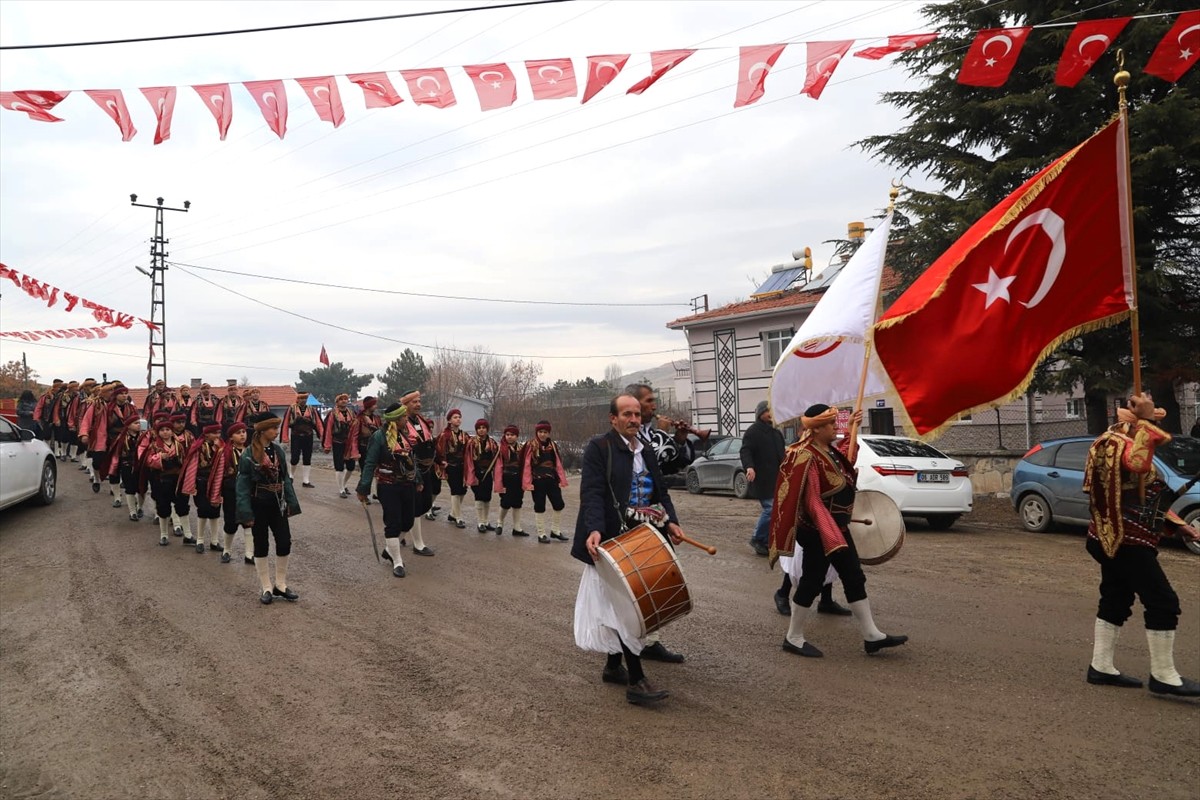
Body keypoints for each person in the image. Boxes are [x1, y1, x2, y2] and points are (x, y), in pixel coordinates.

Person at [1082, 392, 1200, 696]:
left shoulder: (1117, 439)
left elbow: (1147, 495)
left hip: (1115, 536)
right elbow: (1136, 465)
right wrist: (1146, 421)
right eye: (1149, 421)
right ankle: (1163, 675)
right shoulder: (1113, 443)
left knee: (1116, 597)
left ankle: (1101, 667)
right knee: (1163, 601)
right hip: (1125, 539)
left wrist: (1177, 524)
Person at [572, 393, 685, 706]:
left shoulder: (645, 448)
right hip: (609, 540)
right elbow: (591, 492)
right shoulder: (599, 447)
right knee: (625, 607)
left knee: (623, 604)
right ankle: (636, 679)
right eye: (627, 414)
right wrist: (594, 528)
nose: (634, 419)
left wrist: (671, 522)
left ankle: (612, 666)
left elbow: (659, 491)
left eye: (637, 414)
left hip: (641, 538)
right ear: (613, 418)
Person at [769, 403, 907, 658]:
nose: (836, 428)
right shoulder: (805, 455)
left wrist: (854, 425)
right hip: (818, 531)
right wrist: (831, 535)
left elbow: (846, 461)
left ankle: (871, 635)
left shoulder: (827, 451)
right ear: (818, 428)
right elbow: (811, 501)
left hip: (836, 528)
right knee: (812, 581)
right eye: (832, 424)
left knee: (853, 575)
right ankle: (793, 637)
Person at [624, 383, 692, 663]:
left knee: (658, 578)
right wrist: (667, 434)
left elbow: (674, 465)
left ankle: (651, 641)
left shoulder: (652, 436)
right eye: (649, 401)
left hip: (653, 516)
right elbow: (660, 451)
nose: (654, 405)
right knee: (631, 584)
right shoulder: (627, 438)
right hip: (626, 520)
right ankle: (622, 648)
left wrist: (679, 437)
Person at [357, 402, 430, 577]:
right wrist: (363, 488)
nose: (407, 419)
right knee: (393, 523)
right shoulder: (379, 437)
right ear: (395, 420)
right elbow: (369, 463)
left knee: (408, 522)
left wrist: (418, 479)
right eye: (404, 417)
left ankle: (389, 549)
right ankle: (397, 561)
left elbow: (411, 460)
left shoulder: (405, 435)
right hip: (388, 486)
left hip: (408, 485)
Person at [236, 412, 301, 605]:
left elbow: (285, 478)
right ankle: (266, 587)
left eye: (277, 428)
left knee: (284, 542)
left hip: (277, 503)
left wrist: (291, 502)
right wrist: (245, 512)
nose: (276, 431)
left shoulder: (279, 451)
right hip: (258, 502)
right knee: (261, 543)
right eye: (273, 428)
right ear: (263, 430)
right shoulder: (249, 453)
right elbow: (242, 485)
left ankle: (280, 584)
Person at [398, 390, 439, 546]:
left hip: (426, 468)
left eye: (419, 401)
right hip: (410, 470)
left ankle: (400, 533)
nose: (418, 404)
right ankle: (418, 544)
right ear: (406, 404)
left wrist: (439, 460)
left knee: (425, 504)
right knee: (415, 506)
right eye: (414, 402)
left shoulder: (421, 420)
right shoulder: (400, 423)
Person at [626, 382, 695, 475]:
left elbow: (673, 467)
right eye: (649, 401)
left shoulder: (651, 433)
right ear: (634, 403)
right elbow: (649, 463)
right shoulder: (627, 436)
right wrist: (662, 433)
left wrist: (680, 442)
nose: (654, 407)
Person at [522, 421, 569, 544]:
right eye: (540, 432)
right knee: (539, 506)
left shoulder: (552, 445)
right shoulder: (531, 445)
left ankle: (555, 530)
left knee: (559, 503)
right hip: (537, 480)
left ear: (549, 433)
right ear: (537, 432)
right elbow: (526, 464)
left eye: (545, 432)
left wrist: (560, 478)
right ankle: (541, 533)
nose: (543, 434)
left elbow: (557, 462)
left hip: (551, 479)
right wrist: (527, 483)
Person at [211, 422, 252, 564]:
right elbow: (218, 475)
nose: (242, 435)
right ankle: (227, 550)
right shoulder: (224, 452)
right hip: (230, 492)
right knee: (230, 522)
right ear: (231, 437)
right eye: (238, 432)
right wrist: (216, 495)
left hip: (249, 492)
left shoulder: (252, 450)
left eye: (244, 432)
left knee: (249, 522)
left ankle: (249, 554)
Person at [181, 424, 225, 554]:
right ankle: (200, 540)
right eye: (214, 433)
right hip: (201, 481)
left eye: (218, 432)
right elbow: (192, 466)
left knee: (215, 511)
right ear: (206, 434)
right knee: (203, 510)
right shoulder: (198, 447)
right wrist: (191, 483)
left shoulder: (221, 447)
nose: (217, 435)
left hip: (216, 481)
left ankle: (214, 541)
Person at [144, 417, 186, 547]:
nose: (165, 432)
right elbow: (149, 461)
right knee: (163, 506)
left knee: (181, 504)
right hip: (162, 479)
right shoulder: (154, 446)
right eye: (162, 430)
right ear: (158, 432)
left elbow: (185, 459)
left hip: (177, 479)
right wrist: (160, 457)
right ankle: (163, 534)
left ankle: (184, 530)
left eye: (168, 429)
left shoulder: (179, 445)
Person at [465, 418, 499, 532]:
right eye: (479, 428)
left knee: (487, 498)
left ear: (487, 429)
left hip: (488, 473)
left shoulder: (493, 443)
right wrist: (471, 475)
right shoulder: (471, 442)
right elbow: (468, 459)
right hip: (476, 472)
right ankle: (480, 522)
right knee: (479, 497)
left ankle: (486, 521)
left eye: (483, 428)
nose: (481, 430)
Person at [436, 409, 468, 528]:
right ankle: (458, 518)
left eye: (459, 417)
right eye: (455, 417)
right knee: (455, 490)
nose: (458, 419)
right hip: (451, 466)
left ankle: (453, 514)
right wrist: (442, 462)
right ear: (449, 420)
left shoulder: (464, 435)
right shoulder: (444, 435)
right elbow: (438, 449)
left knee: (463, 490)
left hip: (462, 466)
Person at [281, 391, 320, 488]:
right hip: (296, 436)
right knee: (295, 458)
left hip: (308, 436)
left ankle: (306, 481)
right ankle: (291, 475)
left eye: (305, 398)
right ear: (297, 399)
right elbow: (286, 423)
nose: (303, 400)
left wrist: (322, 435)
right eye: (301, 398)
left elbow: (318, 423)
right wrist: (285, 438)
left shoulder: (312, 409)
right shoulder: (291, 409)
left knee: (307, 458)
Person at [495, 425, 528, 537]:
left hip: (518, 479)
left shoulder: (522, 449)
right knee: (505, 502)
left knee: (517, 503)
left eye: (512, 435)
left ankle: (517, 528)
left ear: (517, 436)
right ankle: (499, 523)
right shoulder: (501, 449)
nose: (509, 437)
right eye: (507, 435)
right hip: (506, 478)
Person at [346, 397, 381, 503]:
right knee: (366, 472)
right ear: (369, 406)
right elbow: (354, 437)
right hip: (363, 448)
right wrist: (355, 452)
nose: (376, 406)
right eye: (374, 404)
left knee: (377, 471)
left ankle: (377, 493)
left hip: (376, 448)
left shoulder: (377, 418)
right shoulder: (359, 419)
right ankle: (363, 493)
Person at [322, 393, 356, 498]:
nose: (344, 401)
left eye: (345, 399)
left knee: (351, 466)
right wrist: (327, 445)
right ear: (337, 402)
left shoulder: (351, 413)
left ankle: (344, 484)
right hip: (337, 442)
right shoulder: (332, 414)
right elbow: (328, 429)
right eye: (341, 399)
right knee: (339, 466)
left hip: (349, 443)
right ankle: (341, 489)